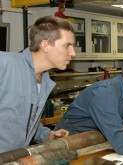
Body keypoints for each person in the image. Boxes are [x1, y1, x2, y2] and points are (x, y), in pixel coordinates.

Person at [0, 15, 76, 153]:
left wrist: (46, 135)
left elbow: (23, 122)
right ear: (45, 45)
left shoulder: (44, 80)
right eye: (67, 46)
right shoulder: (5, 64)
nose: (73, 53)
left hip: (15, 158)